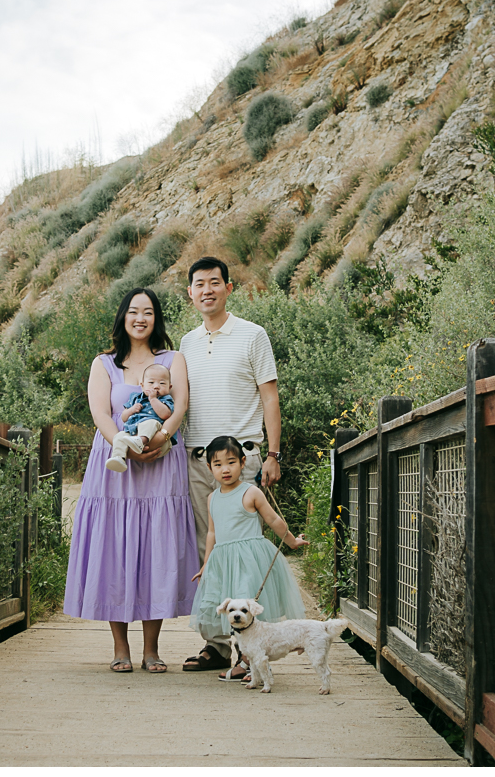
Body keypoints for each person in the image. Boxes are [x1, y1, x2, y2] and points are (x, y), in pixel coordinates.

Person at [63, 288, 198, 673]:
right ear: (123, 316)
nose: (141, 318)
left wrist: (159, 440)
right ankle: (120, 647)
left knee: (156, 548)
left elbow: (181, 406)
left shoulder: (174, 359)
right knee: (115, 548)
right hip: (115, 466)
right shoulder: (104, 363)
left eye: (149, 312)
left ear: (157, 319)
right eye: (134, 311)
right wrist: (127, 448)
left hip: (161, 464)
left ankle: (152, 649)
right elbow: (101, 414)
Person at [180, 255, 283, 674]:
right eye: (199, 284)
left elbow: (270, 395)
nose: (207, 290)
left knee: (242, 555)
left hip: (243, 460)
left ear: (228, 288)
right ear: (190, 293)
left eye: (215, 283)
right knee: (212, 554)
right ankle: (219, 646)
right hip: (199, 461)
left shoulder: (252, 335)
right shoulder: (185, 343)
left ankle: (249, 651)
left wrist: (273, 453)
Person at [189, 436, 307, 678]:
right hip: (223, 563)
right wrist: (206, 564)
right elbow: (212, 532)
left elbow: (273, 519)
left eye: (231, 462)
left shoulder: (251, 492)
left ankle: (247, 662)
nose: (225, 469)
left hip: (249, 561)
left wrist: (292, 541)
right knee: (230, 613)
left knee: (247, 610)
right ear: (209, 467)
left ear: (243, 462)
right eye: (218, 464)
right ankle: (248, 661)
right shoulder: (212, 498)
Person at [106, 363, 176, 472]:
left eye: (162, 383)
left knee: (150, 422)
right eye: (151, 382)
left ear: (169, 387)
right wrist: (131, 410)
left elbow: (165, 414)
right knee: (119, 436)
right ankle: (118, 457)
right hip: (133, 432)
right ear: (142, 385)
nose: (156, 386)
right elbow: (124, 417)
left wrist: (153, 399)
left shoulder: (165, 399)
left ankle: (141, 441)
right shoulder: (135, 398)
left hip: (156, 437)